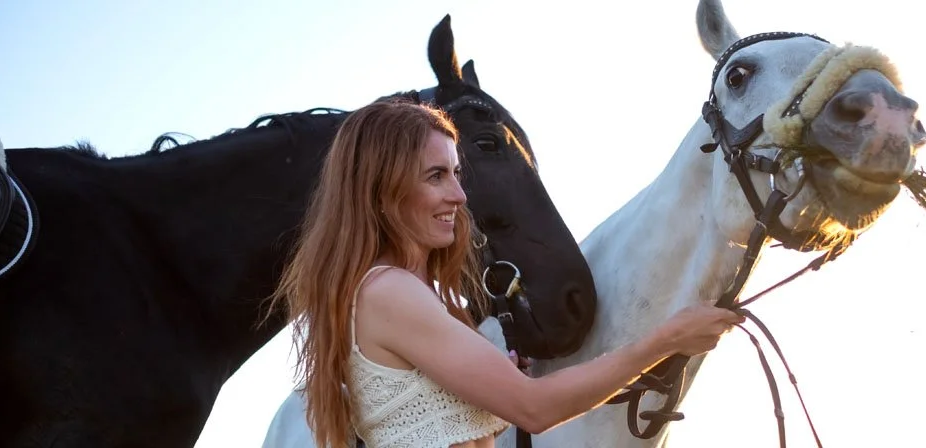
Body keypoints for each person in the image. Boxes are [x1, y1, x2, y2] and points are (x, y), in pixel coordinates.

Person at [267, 99, 745, 448]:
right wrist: (666, 340)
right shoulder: (387, 291)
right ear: (382, 188)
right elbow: (534, 409)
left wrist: (482, 410)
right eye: (436, 176)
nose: (459, 195)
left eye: (457, 174)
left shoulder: (400, 293)